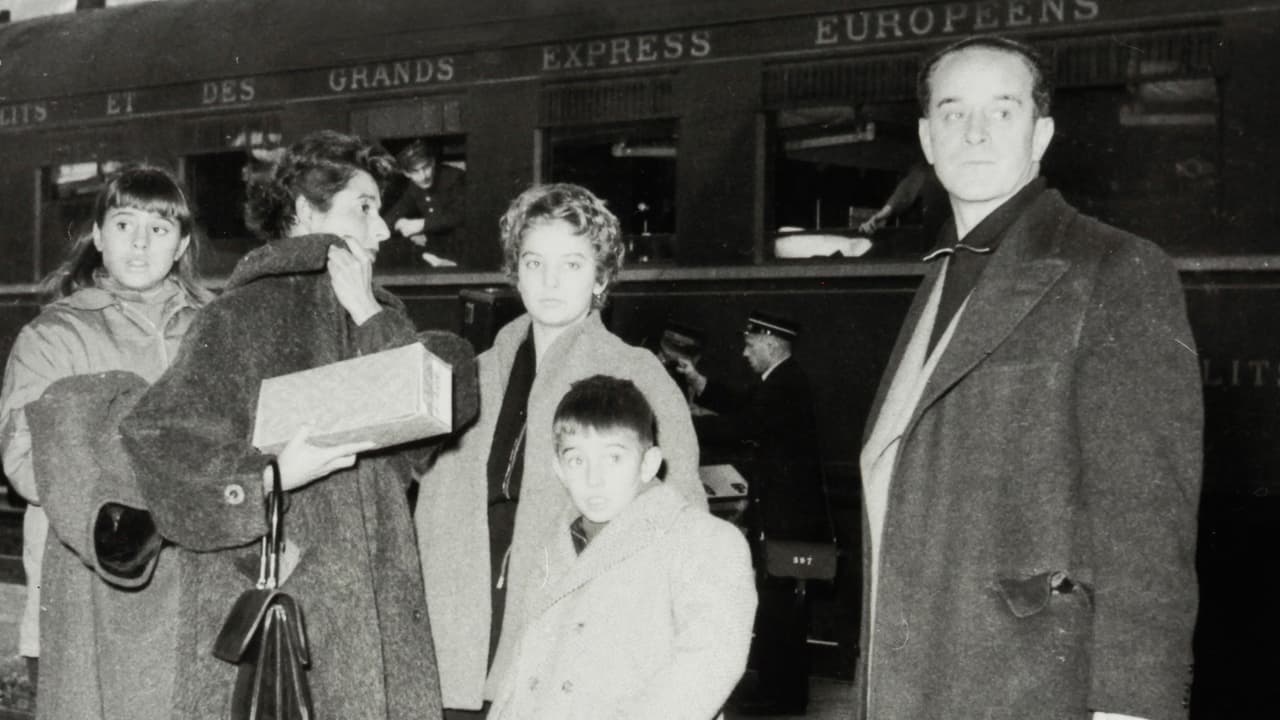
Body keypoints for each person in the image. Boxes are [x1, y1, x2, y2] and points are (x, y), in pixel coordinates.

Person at [858, 36, 1201, 720]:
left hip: (1029, 686)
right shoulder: (942, 275)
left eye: (1002, 110)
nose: (975, 131)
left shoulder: (1115, 267)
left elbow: (1147, 523)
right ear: (927, 139)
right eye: (953, 112)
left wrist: (1132, 706)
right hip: (922, 682)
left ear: (1040, 134)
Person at [119, 130, 476, 719]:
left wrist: (370, 316)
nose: (383, 229)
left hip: (370, 613)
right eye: (364, 208)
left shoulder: (374, 312)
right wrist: (268, 477)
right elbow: (160, 441)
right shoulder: (239, 316)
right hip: (290, 614)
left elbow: (418, 445)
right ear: (307, 211)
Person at [415, 182, 708, 718]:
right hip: (460, 641)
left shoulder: (637, 376)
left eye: (571, 265)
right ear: (516, 271)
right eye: (534, 263)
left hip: (571, 645)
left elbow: (682, 518)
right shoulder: (473, 375)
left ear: (601, 278)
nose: (550, 282)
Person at [0, 165, 209, 718]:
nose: (140, 242)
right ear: (97, 236)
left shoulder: (213, 329)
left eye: (159, 229)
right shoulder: (55, 336)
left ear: (181, 245)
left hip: (196, 592)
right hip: (84, 588)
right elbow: (26, 464)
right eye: (123, 224)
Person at [486, 375, 756, 720]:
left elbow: (709, 663)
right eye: (577, 460)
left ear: (648, 464)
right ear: (559, 470)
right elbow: (521, 672)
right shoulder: (554, 547)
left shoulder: (704, 540)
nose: (594, 479)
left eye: (613, 458)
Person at [675, 311, 826, 715]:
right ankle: (780, 691)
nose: (744, 353)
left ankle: (781, 697)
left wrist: (680, 423)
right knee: (782, 607)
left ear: (771, 343)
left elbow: (745, 424)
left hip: (786, 520)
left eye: (750, 344)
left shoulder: (785, 385)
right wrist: (699, 382)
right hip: (786, 517)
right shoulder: (779, 380)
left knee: (782, 608)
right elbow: (742, 404)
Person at [382, 138, 466, 267]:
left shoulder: (455, 178)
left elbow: (460, 215)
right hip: (439, 252)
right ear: (406, 173)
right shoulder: (415, 188)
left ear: (433, 162)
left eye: (426, 167)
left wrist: (422, 225)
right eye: (415, 171)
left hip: (466, 251)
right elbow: (392, 216)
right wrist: (400, 224)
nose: (423, 176)